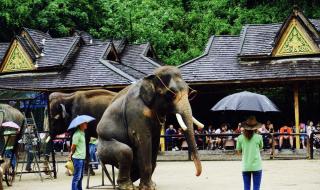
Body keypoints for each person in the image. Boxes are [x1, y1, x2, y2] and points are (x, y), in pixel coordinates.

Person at [236, 116, 263, 190]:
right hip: (257, 166)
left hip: (245, 166)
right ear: (256, 127)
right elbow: (261, 148)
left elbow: (238, 152)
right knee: (256, 187)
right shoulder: (259, 137)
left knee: (246, 187)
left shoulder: (240, 138)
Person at [69, 122, 88, 190]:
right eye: (85, 123)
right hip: (77, 158)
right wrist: (71, 153)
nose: (86, 124)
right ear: (80, 125)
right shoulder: (77, 134)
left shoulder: (82, 133)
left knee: (81, 176)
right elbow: (73, 146)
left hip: (82, 158)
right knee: (77, 177)